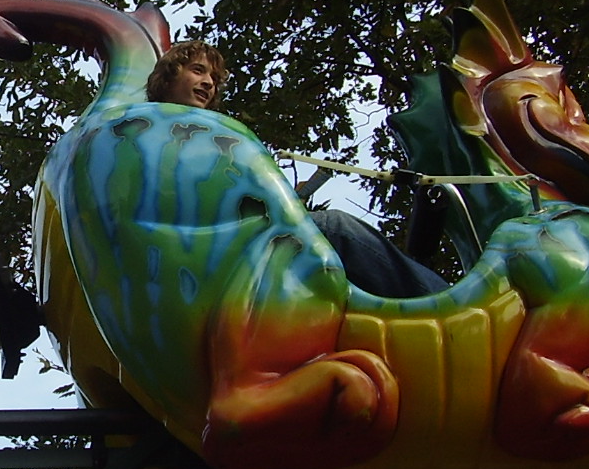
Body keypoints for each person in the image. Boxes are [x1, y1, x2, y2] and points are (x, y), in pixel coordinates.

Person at [146, 42, 449, 300]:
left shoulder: (205, 134)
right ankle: (443, 303)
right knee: (335, 228)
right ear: (169, 75)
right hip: (209, 247)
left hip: (234, 239)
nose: (209, 83)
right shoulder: (157, 130)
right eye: (198, 70)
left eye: (213, 77)